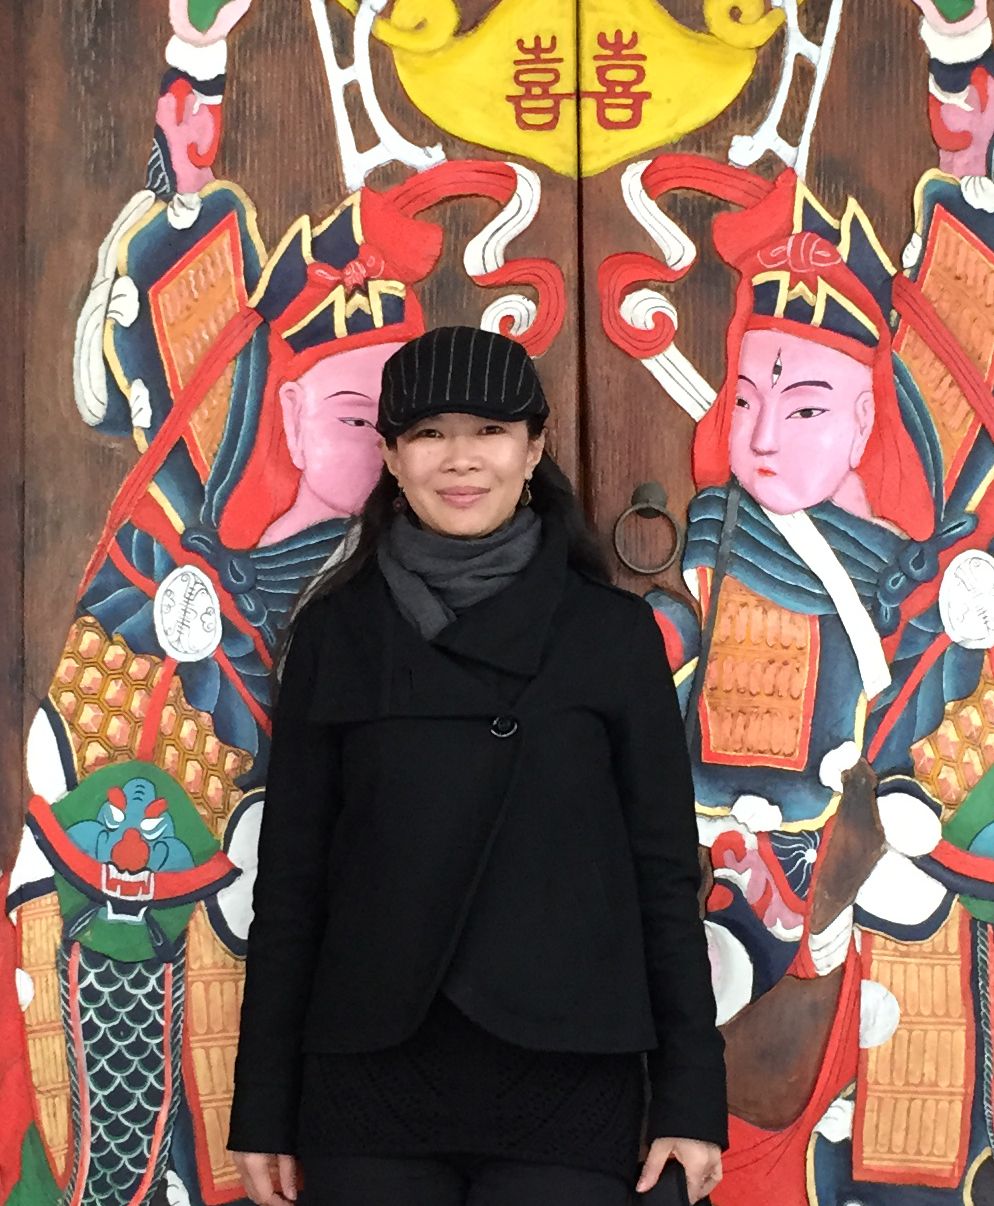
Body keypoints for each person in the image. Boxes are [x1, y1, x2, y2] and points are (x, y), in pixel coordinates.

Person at [227, 325, 727, 1206]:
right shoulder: (336, 634)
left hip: (567, 1070)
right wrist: (264, 1105)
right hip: (371, 1073)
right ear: (390, 456)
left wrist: (690, 1097)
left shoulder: (611, 637)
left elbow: (662, 878)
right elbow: (293, 885)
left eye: (490, 431)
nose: (460, 460)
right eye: (428, 433)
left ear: (533, 450)